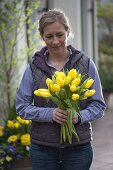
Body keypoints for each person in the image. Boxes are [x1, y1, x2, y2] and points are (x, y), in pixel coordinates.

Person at [16, 9, 106, 170]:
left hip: (78, 148)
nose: (55, 41)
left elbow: (98, 105)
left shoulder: (85, 63)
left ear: (68, 32)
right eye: (49, 36)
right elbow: (22, 107)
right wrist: (50, 114)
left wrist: (78, 117)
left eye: (60, 35)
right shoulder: (33, 68)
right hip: (43, 149)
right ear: (42, 36)